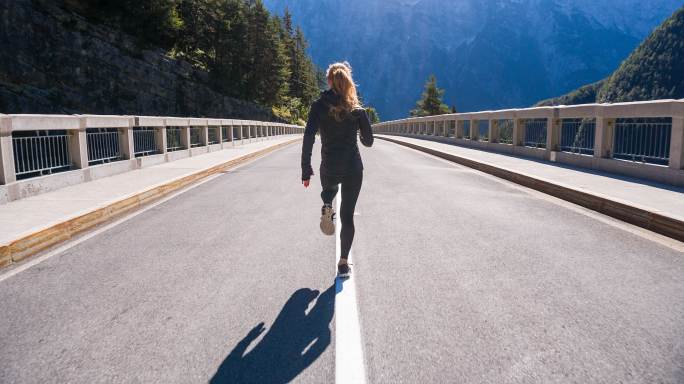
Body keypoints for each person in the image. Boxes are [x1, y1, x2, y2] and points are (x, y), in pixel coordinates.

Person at [301, 62, 374, 278]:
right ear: (348, 82)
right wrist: (360, 125)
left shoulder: (318, 106)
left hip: (329, 167)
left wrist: (306, 168)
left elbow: (308, 137)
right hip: (353, 168)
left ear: (329, 81)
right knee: (347, 216)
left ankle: (326, 204)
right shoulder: (357, 110)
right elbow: (368, 142)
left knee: (330, 188)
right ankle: (343, 263)